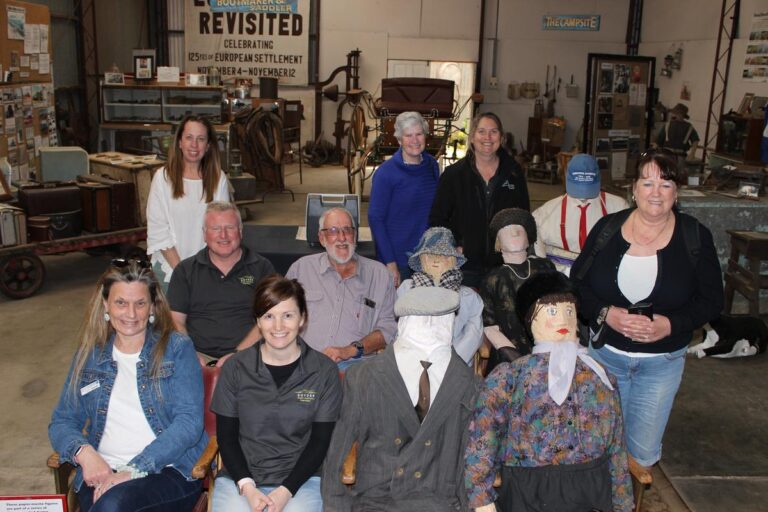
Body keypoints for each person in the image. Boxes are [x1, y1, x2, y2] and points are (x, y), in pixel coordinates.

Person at [570, 150, 723, 472]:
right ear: (634, 189)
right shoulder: (607, 230)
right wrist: (604, 314)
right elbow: (578, 286)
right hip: (605, 361)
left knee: (640, 456)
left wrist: (672, 324)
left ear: (676, 192)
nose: (656, 193)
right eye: (648, 183)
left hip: (661, 367)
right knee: (595, 448)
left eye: (665, 184)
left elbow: (712, 301)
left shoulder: (695, 236)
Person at [465, 272, 633, 512]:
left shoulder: (601, 378)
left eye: (569, 310)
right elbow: (481, 440)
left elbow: (616, 445)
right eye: (551, 311)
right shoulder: (509, 377)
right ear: (529, 321)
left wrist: (622, 502)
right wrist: (482, 499)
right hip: (529, 490)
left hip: (591, 488)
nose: (563, 319)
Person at [49, 260, 207, 512]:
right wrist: (84, 454)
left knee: (112, 506)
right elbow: (62, 420)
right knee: (108, 504)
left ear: (153, 306)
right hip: (100, 470)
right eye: (121, 303)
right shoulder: (89, 354)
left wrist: (133, 469)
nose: (131, 314)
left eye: (140, 303)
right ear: (105, 305)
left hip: (166, 471)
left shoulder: (176, 349)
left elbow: (188, 423)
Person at [322, 286, 482, 511]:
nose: (431, 325)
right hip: (377, 502)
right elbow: (337, 452)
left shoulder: (469, 384)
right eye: (423, 319)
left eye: (440, 320)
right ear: (404, 323)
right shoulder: (363, 377)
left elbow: (473, 460)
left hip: (441, 503)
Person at [210, 275, 342, 512]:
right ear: (258, 322)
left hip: (301, 481)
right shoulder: (235, 368)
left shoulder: (324, 371)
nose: (278, 326)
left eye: (288, 315)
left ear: (303, 318)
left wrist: (286, 490)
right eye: (268, 316)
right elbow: (227, 438)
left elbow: (320, 441)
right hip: (240, 479)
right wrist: (248, 487)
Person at [286, 207, 397, 369]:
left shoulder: (380, 275)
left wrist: (349, 350)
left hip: (355, 367)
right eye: (333, 231)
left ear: (355, 236)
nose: (342, 238)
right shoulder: (301, 269)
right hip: (304, 364)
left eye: (347, 230)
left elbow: (388, 329)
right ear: (322, 238)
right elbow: (278, 316)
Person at [168, 201, 275, 366]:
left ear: (240, 231)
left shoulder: (262, 268)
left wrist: (238, 355)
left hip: (250, 355)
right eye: (215, 229)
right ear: (204, 234)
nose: (223, 235)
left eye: (230, 228)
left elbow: (271, 318)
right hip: (196, 357)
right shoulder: (185, 270)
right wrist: (189, 354)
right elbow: (175, 321)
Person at [430, 112, 530, 287]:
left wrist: (517, 250)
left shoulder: (514, 173)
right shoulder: (454, 175)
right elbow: (437, 220)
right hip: (464, 266)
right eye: (482, 131)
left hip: (504, 265)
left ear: (502, 137)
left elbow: (524, 217)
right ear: (472, 137)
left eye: (494, 132)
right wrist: (454, 248)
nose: (488, 137)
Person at [146, 114, 230, 288]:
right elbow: (159, 232)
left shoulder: (217, 178)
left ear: (208, 146)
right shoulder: (162, 178)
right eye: (189, 138)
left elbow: (222, 230)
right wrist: (183, 272)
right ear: (179, 142)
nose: (194, 145)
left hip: (207, 270)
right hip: (169, 270)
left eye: (200, 139)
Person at [368, 111, 440, 287]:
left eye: (419, 134)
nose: (414, 140)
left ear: (425, 136)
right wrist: (390, 262)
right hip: (399, 258)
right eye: (408, 135)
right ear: (399, 140)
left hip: (427, 256)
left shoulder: (432, 165)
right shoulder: (386, 173)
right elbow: (376, 219)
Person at [397, 226, 484, 364]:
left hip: (454, 366)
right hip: (412, 364)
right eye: (430, 255)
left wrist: (448, 362)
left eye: (443, 255)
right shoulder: (407, 289)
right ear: (421, 259)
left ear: (454, 260)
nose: (436, 260)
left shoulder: (470, 297)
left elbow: (474, 335)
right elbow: (400, 329)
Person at [533, 154, 629, 275]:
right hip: (561, 275)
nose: (583, 195)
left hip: (604, 272)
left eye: (588, 188)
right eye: (578, 188)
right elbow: (536, 249)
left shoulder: (619, 208)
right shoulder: (546, 212)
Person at [481, 208, 555, 363]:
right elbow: (489, 325)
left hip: (551, 349)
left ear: (529, 240)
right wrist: (512, 356)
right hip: (511, 357)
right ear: (498, 244)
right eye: (507, 231)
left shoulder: (545, 268)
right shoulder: (493, 279)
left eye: (519, 230)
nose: (514, 234)